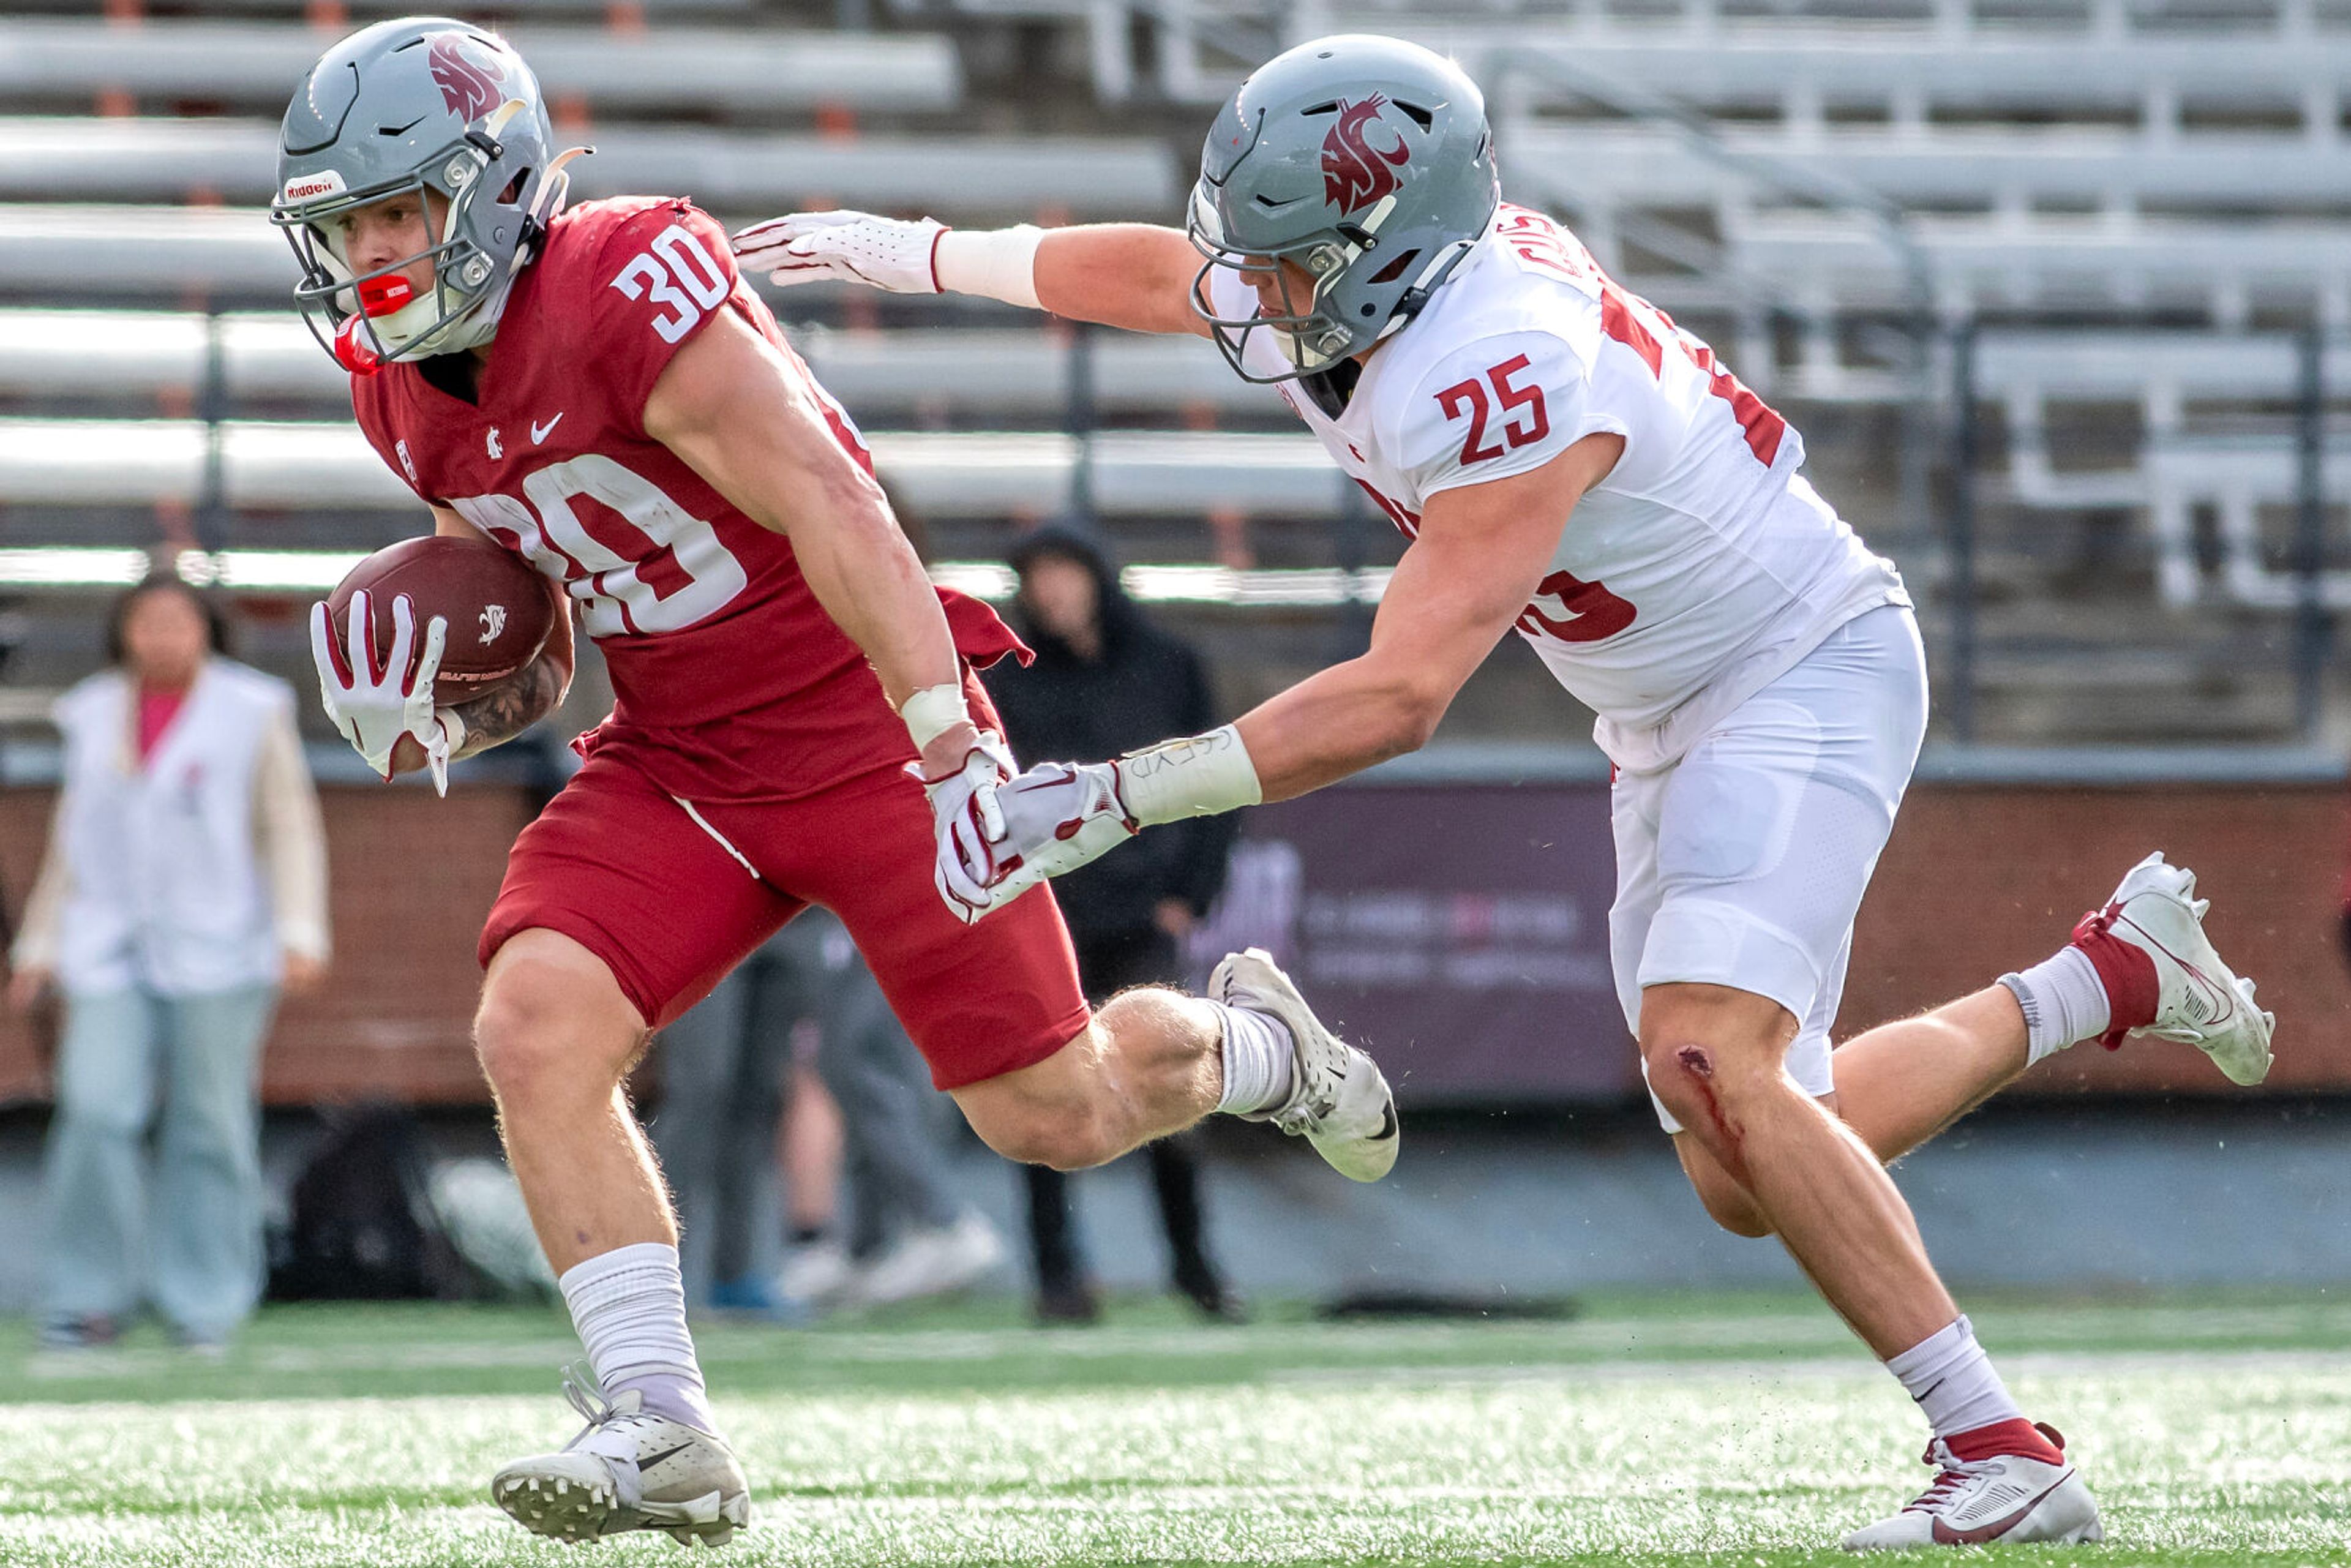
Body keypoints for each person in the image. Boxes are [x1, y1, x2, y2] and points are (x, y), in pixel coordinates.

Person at [737, 32, 2278, 1551]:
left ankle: (1996, 1441)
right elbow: (1161, 276)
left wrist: (1122, 794)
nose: (1252, 296)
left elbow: (1401, 695)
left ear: (1395, 251)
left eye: (1289, 267)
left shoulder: (1502, 360)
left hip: (1795, 666)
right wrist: (915, 250)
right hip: (1667, 706)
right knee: (1742, 1161)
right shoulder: (1353, 274)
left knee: (1707, 1050)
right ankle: (2105, 973)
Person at [271, 17, 1394, 1548]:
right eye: (340, 227)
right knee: (533, 1021)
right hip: (683, 755)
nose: (369, 255)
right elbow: (574, 586)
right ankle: (659, 1420)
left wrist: (946, 739)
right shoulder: (394, 393)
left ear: (495, 187)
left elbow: (832, 500)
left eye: (391, 213)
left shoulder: (623, 280)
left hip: (864, 724)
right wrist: (478, 686)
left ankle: (1253, 1043)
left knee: (1052, 1113)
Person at [5, 572, 329, 1351]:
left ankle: (205, 1301)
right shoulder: (88, 710)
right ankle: (87, 1296)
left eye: (176, 622)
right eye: (145, 622)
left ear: (206, 630)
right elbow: (73, 839)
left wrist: (299, 929)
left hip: (224, 942)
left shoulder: (254, 708)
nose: (160, 637)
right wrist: (39, 945)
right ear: (123, 630)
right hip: (108, 943)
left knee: (210, 1122)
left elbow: (288, 824)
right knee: (95, 1105)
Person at [985, 526, 1241, 1324]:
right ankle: (1058, 1279)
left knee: (1169, 1089)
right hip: (1047, 917)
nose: (1051, 591)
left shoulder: (1169, 666)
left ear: (1097, 577)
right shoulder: (1005, 676)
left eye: (1063, 572)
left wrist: (1188, 894)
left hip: (1140, 917)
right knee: (1042, 1097)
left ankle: (1197, 1271)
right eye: (1037, 577)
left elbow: (1222, 783)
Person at [654, 909, 1003, 1318]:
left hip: (794, 912)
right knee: (701, 1089)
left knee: (760, 1095)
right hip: (708, 906)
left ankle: (734, 1275)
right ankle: (655, 1275)